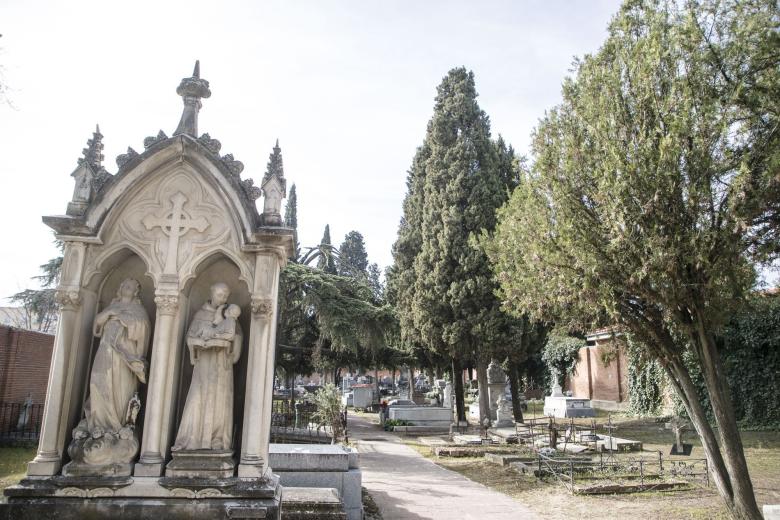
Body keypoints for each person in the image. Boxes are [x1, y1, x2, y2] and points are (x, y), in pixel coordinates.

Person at [172, 283, 242, 451]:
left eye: (225, 296)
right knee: (197, 398)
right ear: (212, 294)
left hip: (222, 366)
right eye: (220, 295)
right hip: (203, 366)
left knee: (220, 401)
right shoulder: (201, 314)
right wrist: (200, 343)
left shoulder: (230, 317)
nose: (223, 299)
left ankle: (216, 439)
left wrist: (232, 342)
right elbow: (190, 337)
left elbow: (237, 338)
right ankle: (192, 439)